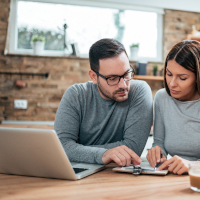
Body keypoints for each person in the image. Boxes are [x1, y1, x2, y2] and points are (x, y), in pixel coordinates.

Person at [54, 39, 153, 167]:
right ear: (94, 77)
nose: (123, 85)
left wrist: (78, 150)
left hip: (117, 175)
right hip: (78, 173)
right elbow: (61, 146)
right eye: (112, 78)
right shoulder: (76, 95)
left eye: (127, 74)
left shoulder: (139, 91)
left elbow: (133, 148)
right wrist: (103, 154)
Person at [146, 40, 200, 175]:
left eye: (182, 78)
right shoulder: (162, 98)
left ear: (199, 77)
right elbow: (159, 143)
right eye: (169, 74)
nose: (172, 84)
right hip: (178, 179)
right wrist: (157, 154)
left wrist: (195, 165)